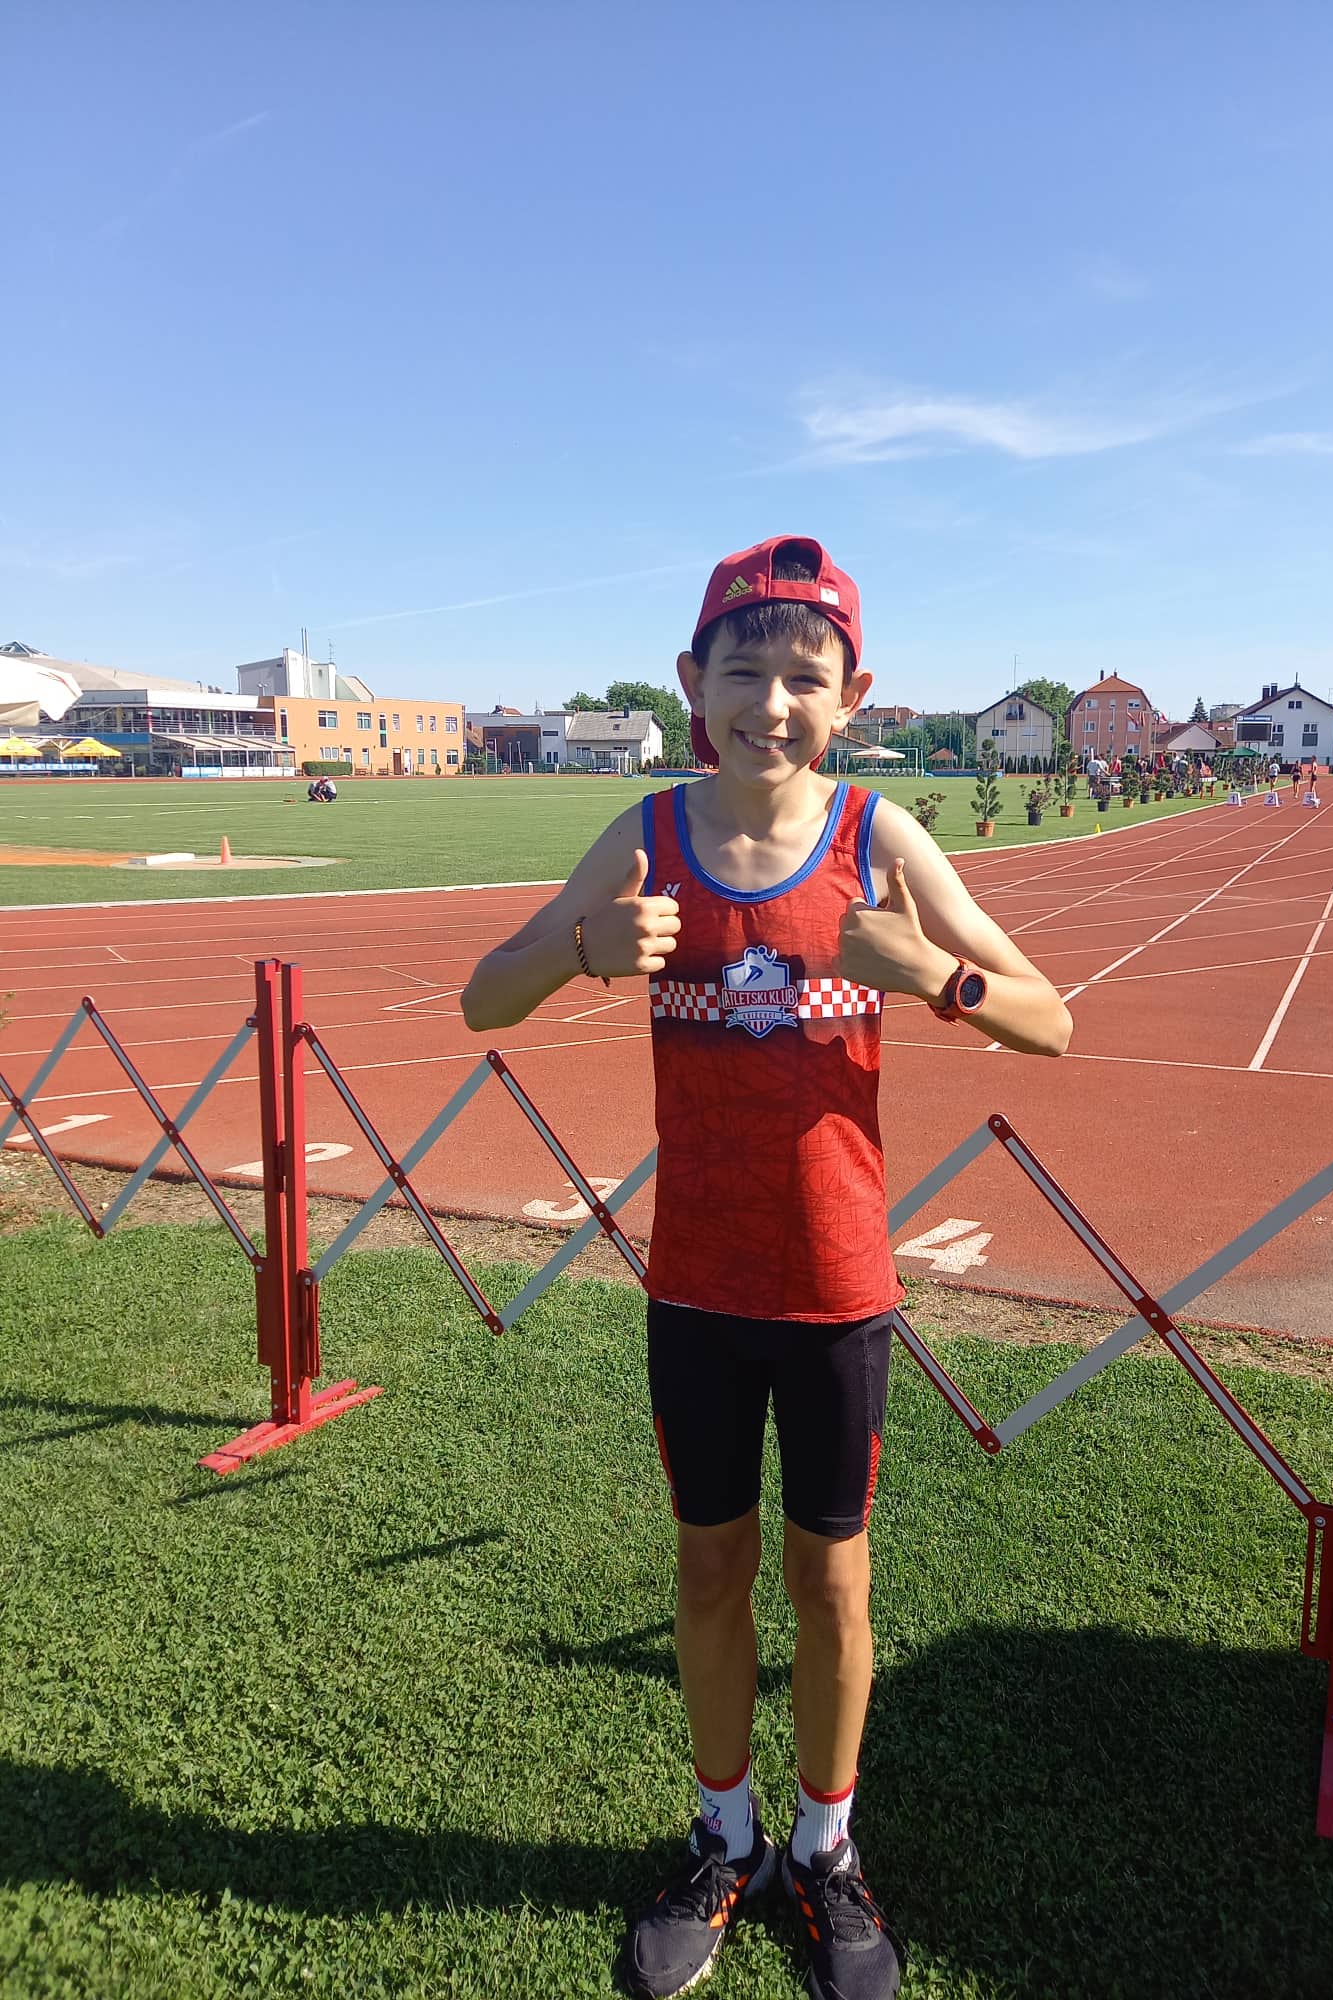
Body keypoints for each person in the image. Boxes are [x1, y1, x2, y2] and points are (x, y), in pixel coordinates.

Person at [460, 536, 1071, 2000]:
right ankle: (722, 1834)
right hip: (697, 1290)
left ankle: (826, 1849)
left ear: (852, 696)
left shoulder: (881, 837)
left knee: (832, 1583)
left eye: (807, 677)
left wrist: (936, 977)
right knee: (710, 1568)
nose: (774, 704)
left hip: (840, 1289)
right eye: (746, 671)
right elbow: (486, 997)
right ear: (693, 683)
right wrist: (588, 949)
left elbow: (1051, 1019)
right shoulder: (645, 835)